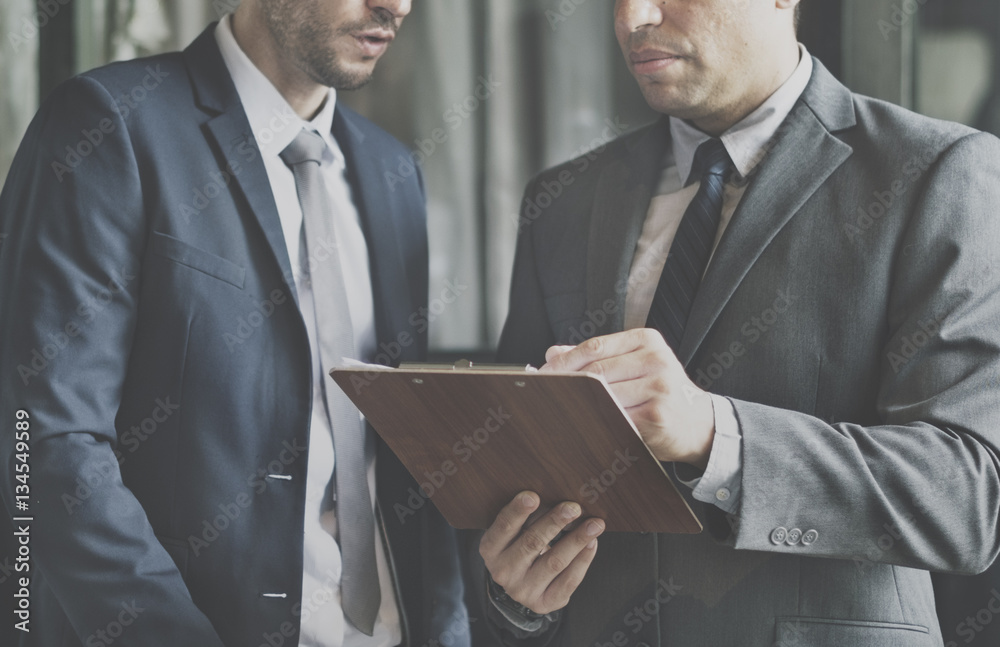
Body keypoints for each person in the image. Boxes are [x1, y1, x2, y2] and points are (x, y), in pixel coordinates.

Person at [477, 0, 1000, 645]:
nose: (634, 17)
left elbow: (965, 501)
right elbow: (516, 466)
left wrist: (715, 435)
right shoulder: (562, 200)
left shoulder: (938, 173)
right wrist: (517, 597)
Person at [0, 1, 470, 646]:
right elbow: (47, 437)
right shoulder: (111, 122)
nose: (397, 4)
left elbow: (403, 452)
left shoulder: (393, 171)